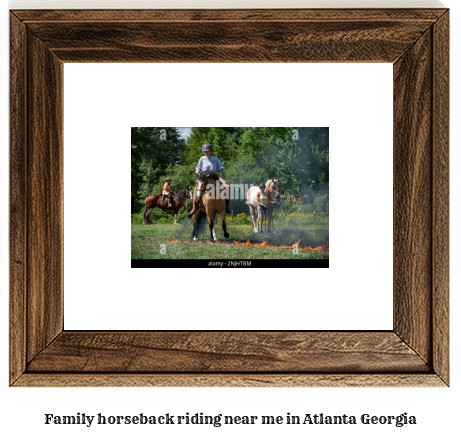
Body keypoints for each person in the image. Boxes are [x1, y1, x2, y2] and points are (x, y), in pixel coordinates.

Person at [191, 143, 231, 215]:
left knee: (228, 186)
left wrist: (222, 169)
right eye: (205, 151)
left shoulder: (216, 159)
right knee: (196, 189)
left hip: (214, 177)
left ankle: (226, 206)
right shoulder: (202, 159)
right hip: (203, 178)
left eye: (207, 151)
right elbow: (197, 168)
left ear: (211, 151)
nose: (206, 153)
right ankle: (194, 207)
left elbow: (221, 167)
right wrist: (197, 172)